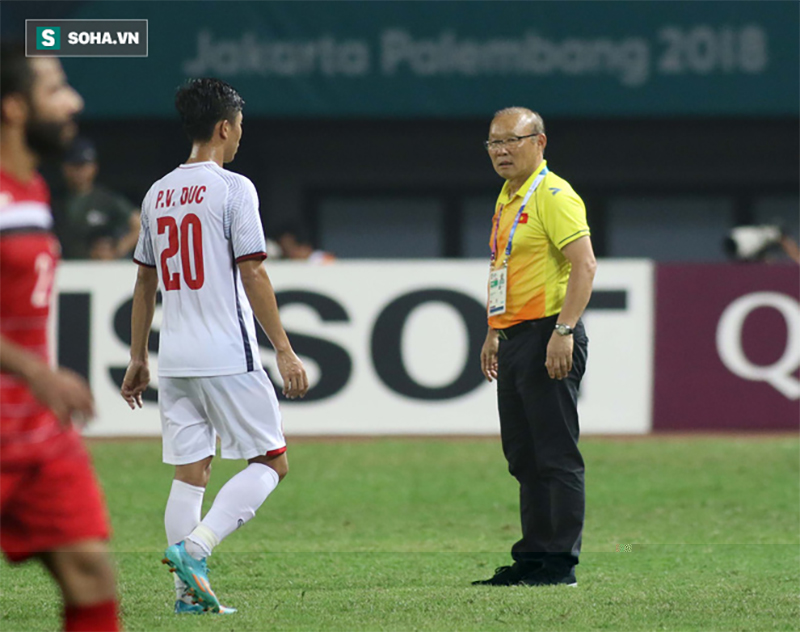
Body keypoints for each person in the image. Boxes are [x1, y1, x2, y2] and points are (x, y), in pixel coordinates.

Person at [120, 78, 309, 615]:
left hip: (175, 359)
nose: (242, 136)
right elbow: (253, 272)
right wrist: (285, 349)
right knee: (272, 463)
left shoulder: (157, 192)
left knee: (191, 472)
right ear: (225, 127)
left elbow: (143, 283)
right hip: (227, 352)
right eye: (240, 127)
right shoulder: (234, 189)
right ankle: (195, 549)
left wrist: (139, 357)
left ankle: (188, 599)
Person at [0, 42, 121, 631]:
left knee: (91, 574)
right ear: (15, 108)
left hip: (36, 432)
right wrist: (35, 370)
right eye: (55, 88)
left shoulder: (35, 191)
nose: (73, 100)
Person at [473, 107, 596, 587]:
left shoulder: (553, 194)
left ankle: (559, 563)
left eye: (511, 141)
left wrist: (563, 332)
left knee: (556, 455)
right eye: (493, 143)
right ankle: (532, 558)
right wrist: (493, 330)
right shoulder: (508, 197)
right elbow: (503, 268)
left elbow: (584, 266)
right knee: (523, 455)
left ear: (539, 142)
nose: (501, 151)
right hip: (516, 335)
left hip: (550, 333)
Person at [54, 136, 141, 259]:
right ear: (64, 167)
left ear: (94, 167)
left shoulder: (106, 199)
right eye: (74, 165)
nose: (79, 171)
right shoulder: (55, 201)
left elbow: (139, 224)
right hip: (66, 267)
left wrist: (117, 251)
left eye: (84, 165)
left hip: (99, 270)